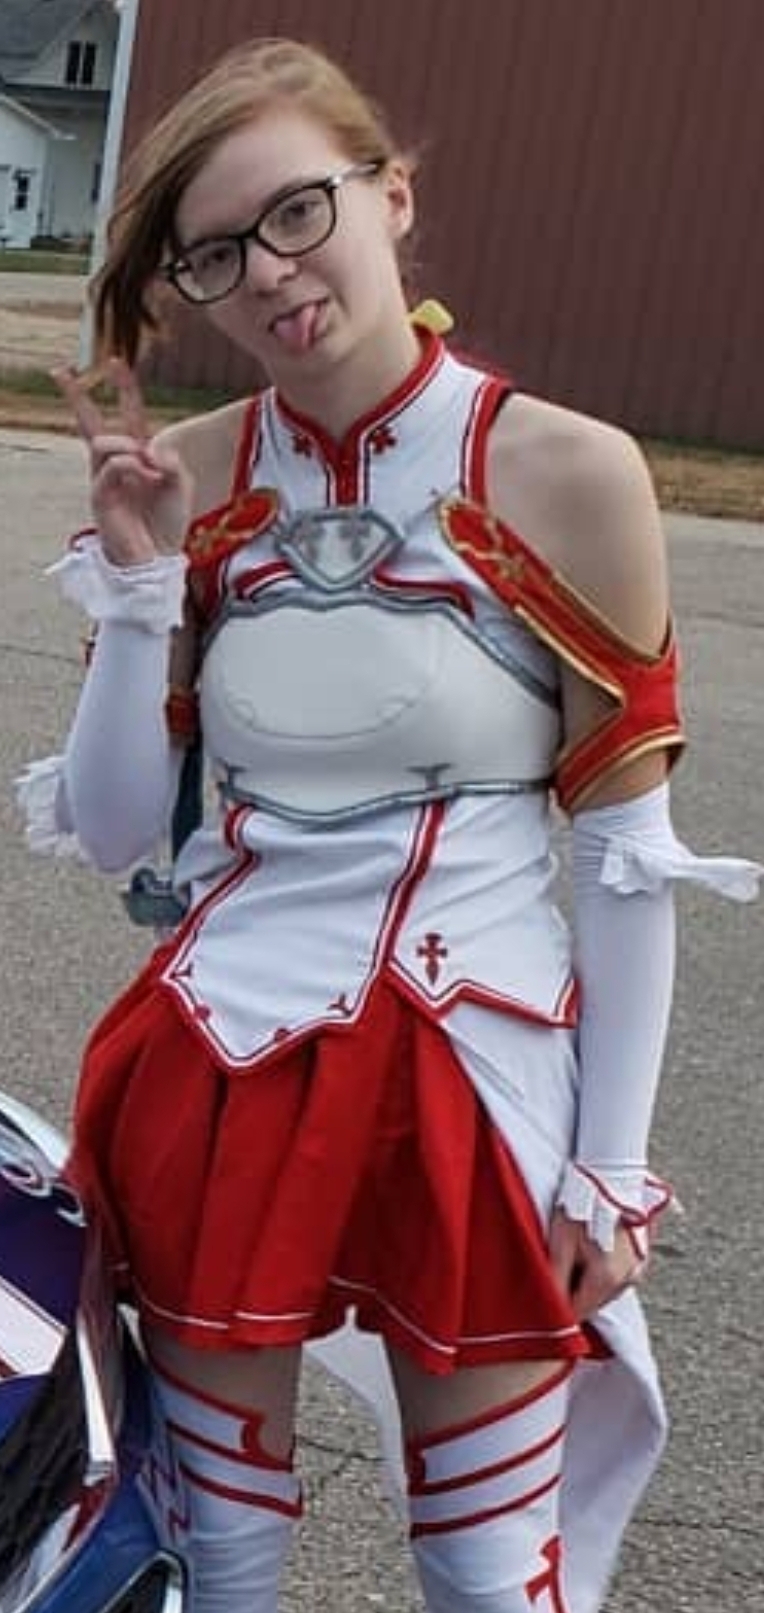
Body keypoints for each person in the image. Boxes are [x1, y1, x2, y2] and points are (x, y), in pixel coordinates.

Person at [17, 35, 760, 1613]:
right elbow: (121, 828)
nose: (271, 275)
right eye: (216, 254)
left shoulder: (570, 472)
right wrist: (140, 583)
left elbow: (625, 858)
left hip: (472, 1089)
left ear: (393, 195)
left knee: (490, 1570)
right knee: (221, 1558)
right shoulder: (189, 476)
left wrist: (612, 1165)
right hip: (222, 1068)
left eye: (298, 212)